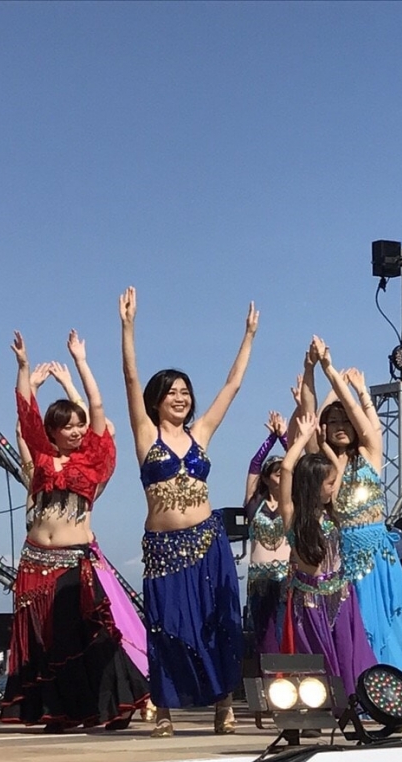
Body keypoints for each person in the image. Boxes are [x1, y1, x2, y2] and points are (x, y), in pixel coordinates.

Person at [120, 287, 252, 737]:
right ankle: (165, 708)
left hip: (208, 541)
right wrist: (128, 327)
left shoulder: (201, 434)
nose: (180, 398)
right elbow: (130, 379)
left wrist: (248, 336)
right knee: (167, 625)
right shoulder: (146, 435)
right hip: (163, 547)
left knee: (218, 623)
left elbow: (232, 387)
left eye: (185, 392)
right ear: (157, 400)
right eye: (172, 392)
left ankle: (223, 703)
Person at [1, 330, 149, 730]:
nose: (75, 431)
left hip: (72, 562)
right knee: (45, 640)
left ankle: (115, 704)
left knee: (86, 635)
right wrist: (23, 367)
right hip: (35, 560)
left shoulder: (94, 461)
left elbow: (96, 407)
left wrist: (81, 364)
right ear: (52, 431)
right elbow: (25, 413)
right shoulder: (42, 459)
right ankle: (61, 711)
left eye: (78, 426)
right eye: (66, 426)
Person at [300, 338, 402, 697]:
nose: (340, 426)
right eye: (333, 422)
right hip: (344, 558)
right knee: (359, 627)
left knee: (392, 621)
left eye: (345, 420)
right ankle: (368, 694)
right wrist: (311, 370)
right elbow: (308, 414)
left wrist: (333, 372)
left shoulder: (370, 453)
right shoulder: (324, 465)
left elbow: (362, 418)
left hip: (380, 556)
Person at [277, 413, 376, 696]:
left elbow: (337, 471)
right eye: (329, 483)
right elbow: (286, 468)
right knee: (314, 657)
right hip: (308, 597)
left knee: (346, 650)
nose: (335, 487)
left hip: (340, 593)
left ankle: (353, 701)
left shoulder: (332, 512)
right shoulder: (292, 515)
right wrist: (301, 440)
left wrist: (324, 445)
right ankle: (320, 705)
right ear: (313, 485)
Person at [244, 411, 289, 660]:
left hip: (286, 577)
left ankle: (289, 673)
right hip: (260, 578)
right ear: (266, 478)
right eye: (277, 473)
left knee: (285, 630)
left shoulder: (292, 504)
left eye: (285, 472)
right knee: (261, 634)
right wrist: (271, 439)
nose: (283, 476)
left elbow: (298, 464)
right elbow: (254, 464)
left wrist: (284, 436)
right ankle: (266, 675)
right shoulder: (254, 503)